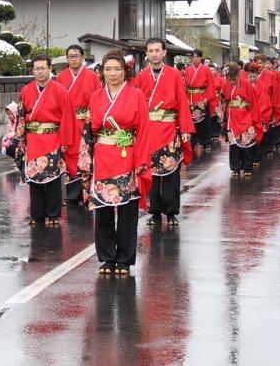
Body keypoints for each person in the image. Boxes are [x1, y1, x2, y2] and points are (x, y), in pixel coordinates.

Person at [82, 50, 151, 275]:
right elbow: (90, 130)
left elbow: (143, 129)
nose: (112, 74)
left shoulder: (136, 95)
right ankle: (107, 257)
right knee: (102, 209)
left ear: (125, 71)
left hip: (127, 155)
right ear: (102, 72)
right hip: (102, 156)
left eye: (117, 69)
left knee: (127, 211)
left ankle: (124, 258)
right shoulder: (96, 96)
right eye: (108, 69)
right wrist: (86, 159)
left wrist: (141, 160)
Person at [133, 38, 195, 227]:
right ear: (146, 54)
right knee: (151, 174)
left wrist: (185, 128)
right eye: (150, 51)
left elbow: (183, 101)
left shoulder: (175, 75)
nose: (154, 54)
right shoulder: (141, 77)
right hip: (148, 131)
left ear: (164, 53)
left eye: (157, 50)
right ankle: (155, 212)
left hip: (169, 130)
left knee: (170, 174)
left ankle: (171, 212)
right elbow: (135, 105)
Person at [17, 55, 75, 226]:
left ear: (50, 69)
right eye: (37, 68)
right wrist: (21, 139)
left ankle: (53, 214)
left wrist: (65, 141)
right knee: (34, 179)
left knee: (53, 179)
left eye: (43, 68)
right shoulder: (26, 90)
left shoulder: (60, 90)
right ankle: (36, 214)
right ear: (32, 70)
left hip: (53, 138)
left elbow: (67, 117)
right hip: (33, 138)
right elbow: (21, 116)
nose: (40, 71)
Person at [56, 44, 101, 205]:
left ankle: (87, 192)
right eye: (70, 56)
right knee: (69, 155)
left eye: (76, 55)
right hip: (68, 122)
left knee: (86, 156)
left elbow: (98, 99)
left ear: (82, 57)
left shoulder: (92, 76)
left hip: (86, 122)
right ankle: (72, 194)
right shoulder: (61, 77)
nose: (73, 59)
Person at [221, 63, 262, 176]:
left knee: (246, 142)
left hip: (245, 116)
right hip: (232, 117)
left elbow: (253, 102)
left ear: (238, 75)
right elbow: (223, 100)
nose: (232, 81)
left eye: (233, 79)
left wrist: (254, 119)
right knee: (233, 143)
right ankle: (235, 167)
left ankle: (247, 166)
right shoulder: (226, 85)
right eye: (229, 79)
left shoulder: (247, 84)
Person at [184, 49, 216, 155]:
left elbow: (211, 85)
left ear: (200, 58)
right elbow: (185, 85)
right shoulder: (188, 70)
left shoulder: (206, 70)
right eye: (193, 57)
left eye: (197, 57)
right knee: (192, 122)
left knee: (204, 121)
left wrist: (207, 97)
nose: (195, 59)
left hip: (202, 97)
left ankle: (206, 141)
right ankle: (193, 141)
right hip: (191, 97)